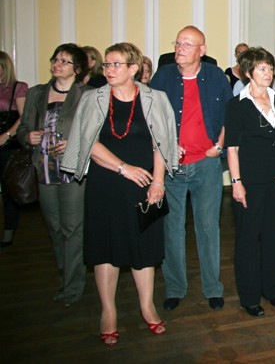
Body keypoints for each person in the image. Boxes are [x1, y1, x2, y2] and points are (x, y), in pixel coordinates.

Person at [62, 42, 177, 345]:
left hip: (145, 183)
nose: (109, 70)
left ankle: (147, 306)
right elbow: (89, 143)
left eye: (116, 64)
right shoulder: (93, 98)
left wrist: (158, 183)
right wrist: (124, 168)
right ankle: (108, 311)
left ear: (133, 68)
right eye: (107, 64)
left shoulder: (155, 98)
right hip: (106, 183)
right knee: (106, 248)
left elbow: (162, 144)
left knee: (144, 248)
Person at [150, 26, 231, 312]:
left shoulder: (216, 77)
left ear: (202, 50)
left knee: (208, 228)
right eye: (178, 43)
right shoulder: (163, 77)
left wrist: (219, 146)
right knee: (171, 229)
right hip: (171, 167)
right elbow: (151, 117)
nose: (180, 48)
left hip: (206, 165)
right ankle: (175, 287)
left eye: (187, 44)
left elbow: (229, 116)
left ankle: (212, 287)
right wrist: (168, 144)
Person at [224, 48, 275, 317]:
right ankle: (249, 297)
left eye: (270, 68)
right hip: (250, 181)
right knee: (248, 239)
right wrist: (236, 182)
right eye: (262, 68)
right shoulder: (237, 105)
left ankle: (271, 289)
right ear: (248, 72)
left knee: (272, 236)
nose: (268, 73)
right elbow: (232, 148)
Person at [17, 43, 89, 306]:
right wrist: (28, 137)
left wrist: (75, 143)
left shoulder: (87, 95)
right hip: (44, 169)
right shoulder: (37, 93)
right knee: (55, 228)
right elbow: (24, 127)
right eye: (55, 59)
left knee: (72, 229)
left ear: (77, 69)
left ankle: (73, 286)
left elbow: (95, 131)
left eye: (64, 61)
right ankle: (65, 274)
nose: (57, 64)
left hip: (73, 172)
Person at [0, 51, 29, 247]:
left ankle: (8, 230)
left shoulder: (18, 87)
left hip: (8, 144)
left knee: (9, 189)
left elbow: (23, 117)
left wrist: (7, 135)